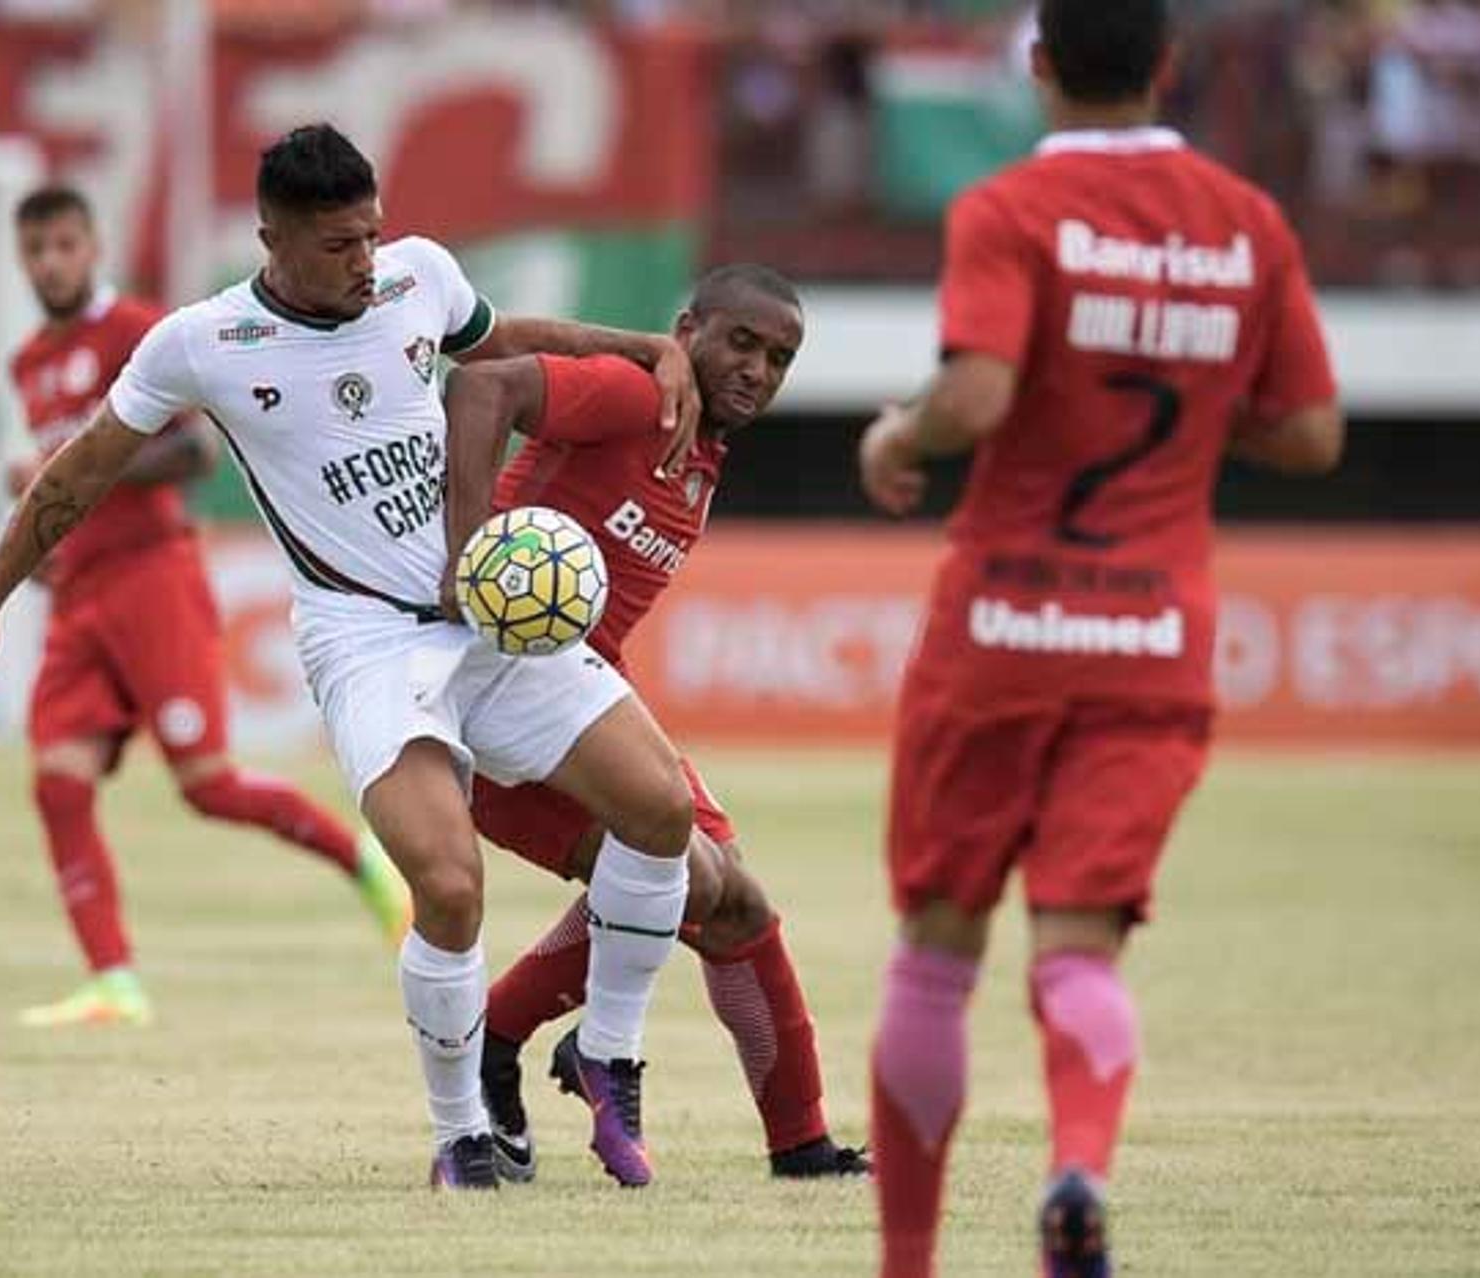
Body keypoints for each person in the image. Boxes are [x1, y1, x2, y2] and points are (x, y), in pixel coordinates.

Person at [0, 124, 706, 1191]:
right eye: (342, 245)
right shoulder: (200, 343)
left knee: (661, 810)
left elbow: (505, 335)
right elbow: (74, 476)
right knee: (447, 885)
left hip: (482, 609)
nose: (368, 261)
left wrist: (646, 347)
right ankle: (460, 1137)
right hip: (365, 640)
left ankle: (608, 1051)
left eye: (374, 234)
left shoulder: (416, 278)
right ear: (274, 240)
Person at [856, 2, 1343, 1273]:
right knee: (1078, 949)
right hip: (1153, 639)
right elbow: (1309, 436)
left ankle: (908, 1260)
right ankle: (1078, 1166)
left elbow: (977, 396)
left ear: (1038, 65)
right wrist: (1193, 396)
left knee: (936, 953)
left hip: (1001, 628)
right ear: (1167, 66)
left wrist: (896, 436)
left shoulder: (1009, 211)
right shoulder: (1248, 223)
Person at [440, 265, 868, 1183]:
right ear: (688, 331)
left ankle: (800, 1146)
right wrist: (467, 552)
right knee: (692, 881)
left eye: (781, 359)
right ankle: (517, 1041)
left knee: (735, 902)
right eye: (742, 344)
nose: (758, 371)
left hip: (591, 694)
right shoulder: (638, 397)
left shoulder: (703, 447)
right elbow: (484, 384)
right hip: (500, 706)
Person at [0, 185, 410, 1029]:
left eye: (65, 245)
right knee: (58, 783)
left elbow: (189, 452)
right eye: (37, 250)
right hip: (81, 597)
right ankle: (113, 980)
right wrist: (47, 539)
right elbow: (58, 489)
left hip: (153, 577)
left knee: (209, 786)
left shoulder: (139, 333)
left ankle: (364, 861)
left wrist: (75, 472)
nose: (51, 263)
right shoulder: (29, 362)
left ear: (95, 245)